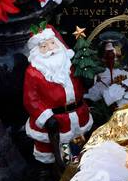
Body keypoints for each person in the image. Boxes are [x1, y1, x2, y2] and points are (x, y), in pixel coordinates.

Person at [22, 26, 93, 165]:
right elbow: (31, 100)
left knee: (79, 147)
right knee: (59, 152)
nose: (50, 49)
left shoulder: (69, 63)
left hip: (78, 115)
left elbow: (80, 83)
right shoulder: (33, 73)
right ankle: (62, 170)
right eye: (44, 46)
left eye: (52, 43)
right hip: (57, 121)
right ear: (37, 51)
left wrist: (88, 80)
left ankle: (78, 165)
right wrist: (46, 117)